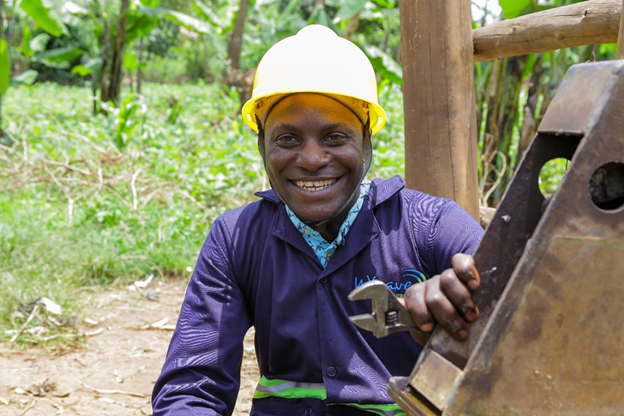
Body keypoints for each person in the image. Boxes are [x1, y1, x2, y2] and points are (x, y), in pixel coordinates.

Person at [152, 25, 483, 416]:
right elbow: (191, 389)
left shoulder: (430, 226)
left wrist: (469, 304)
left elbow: (525, 310)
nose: (311, 160)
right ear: (262, 145)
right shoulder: (236, 238)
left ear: (366, 141)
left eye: (334, 137)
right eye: (288, 139)